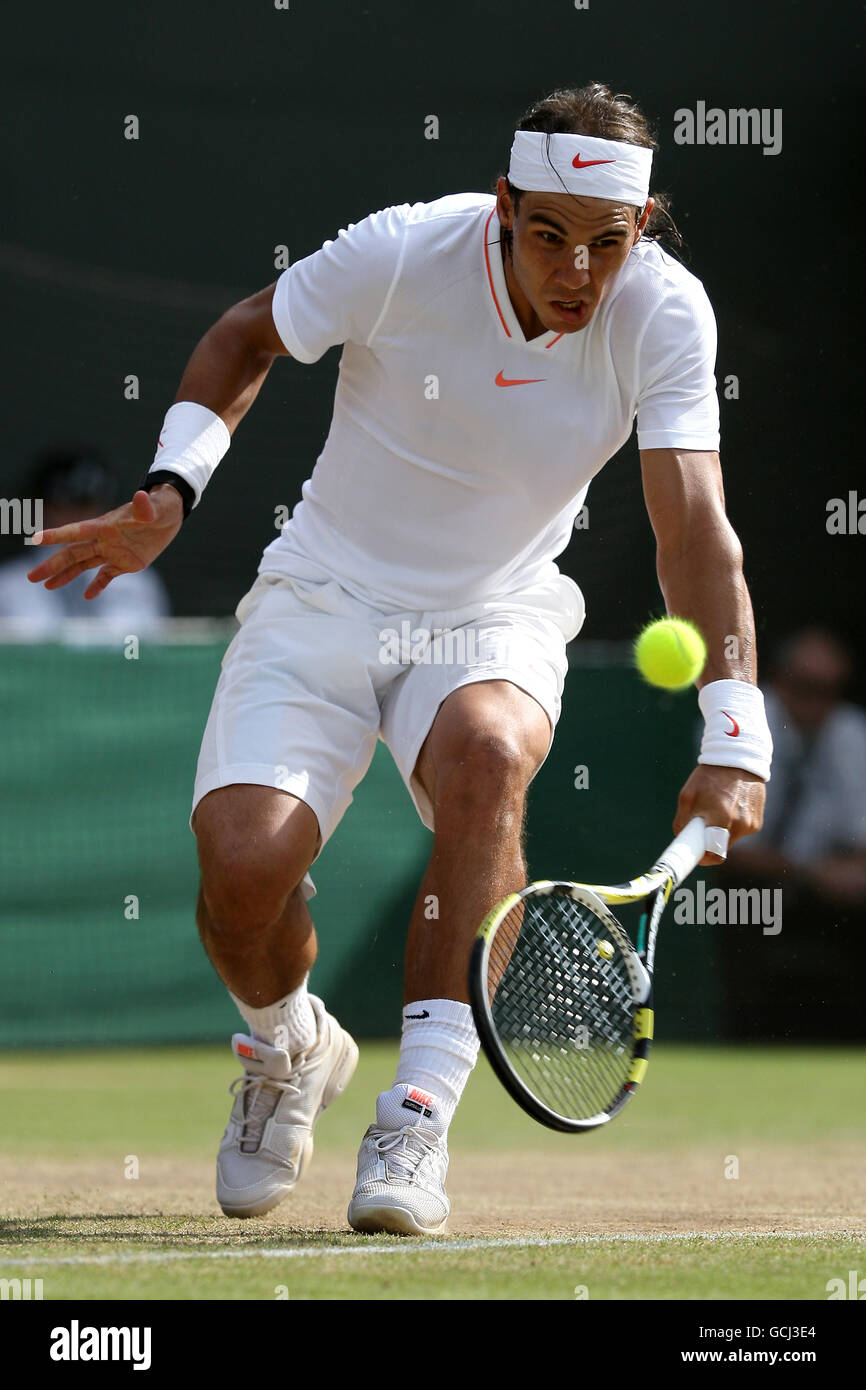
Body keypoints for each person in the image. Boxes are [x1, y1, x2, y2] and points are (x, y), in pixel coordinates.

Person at [26, 83, 772, 1235]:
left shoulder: (666, 316)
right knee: (240, 869)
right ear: (501, 205)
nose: (575, 271)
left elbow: (691, 529)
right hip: (324, 590)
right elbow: (247, 333)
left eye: (606, 244)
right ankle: (288, 1047)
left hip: (497, 610)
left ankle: (415, 1111)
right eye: (547, 237)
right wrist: (172, 489)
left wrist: (735, 728)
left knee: (486, 756)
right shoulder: (401, 248)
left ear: (642, 231)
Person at [718, 628, 866, 1038]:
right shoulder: (739, 724)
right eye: (805, 687)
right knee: (734, 906)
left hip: (827, 894)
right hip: (745, 890)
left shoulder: (850, 733)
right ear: (780, 679)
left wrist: (845, 874)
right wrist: (809, 873)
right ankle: (739, 1035)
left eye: (828, 689)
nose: (816, 702)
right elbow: (723, 845)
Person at [0, 447, 169, 631]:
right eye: (66, 507)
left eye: (89, 506)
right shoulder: (8, 586)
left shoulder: (138, 583)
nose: (80, 519)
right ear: (44, 509)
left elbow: (148, 653)